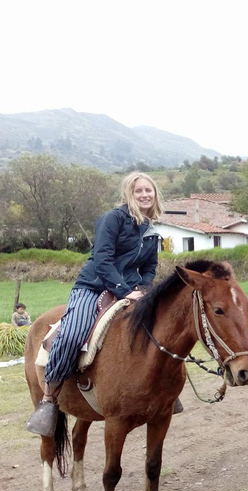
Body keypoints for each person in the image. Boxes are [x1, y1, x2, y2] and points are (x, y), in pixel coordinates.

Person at [26, 172, 170, 437]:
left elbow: (150, 267)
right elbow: (102, 260)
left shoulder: (152, 231)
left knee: (160, 329)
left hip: (131, 291)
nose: (144, 195)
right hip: (93, 287)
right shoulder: (112, 219)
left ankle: (164, 391)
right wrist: (125, 290)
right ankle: (49, 397)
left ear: (155, 193)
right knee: (71, 336)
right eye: (138, 191)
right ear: (129, 194)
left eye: (148, 190)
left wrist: (142, 289)